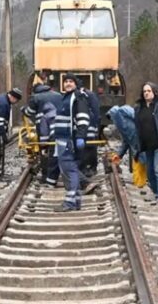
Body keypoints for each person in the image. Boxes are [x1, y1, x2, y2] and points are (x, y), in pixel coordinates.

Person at [53, 73, 90, 211]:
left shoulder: (77, 97)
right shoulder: (66, 98)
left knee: (70, 170)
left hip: (69, 140)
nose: (68, 84)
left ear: (75, 84)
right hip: (62, 139)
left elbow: (83, 118)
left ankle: (70, 202)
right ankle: (76, 201)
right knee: (69, 169)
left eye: (71, 81)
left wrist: (80, 136)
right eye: (66, 81)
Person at [24, 83, 63, 186]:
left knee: (45, 151)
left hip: (44, 126)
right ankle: (61, 176)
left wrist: (23, 110)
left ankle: (46, 176)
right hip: (62, 126)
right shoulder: (58, 95)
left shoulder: (35, 97)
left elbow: (29, 113)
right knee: (60, 152)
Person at [79, 85, 101, 177]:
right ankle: (91, 167)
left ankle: (85, 168)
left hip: (85, 126)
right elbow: (96, 111)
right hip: (90, 126)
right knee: (91, 147)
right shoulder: (91, 95)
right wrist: (97, 127)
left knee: (85, 149)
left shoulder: (80, 96)